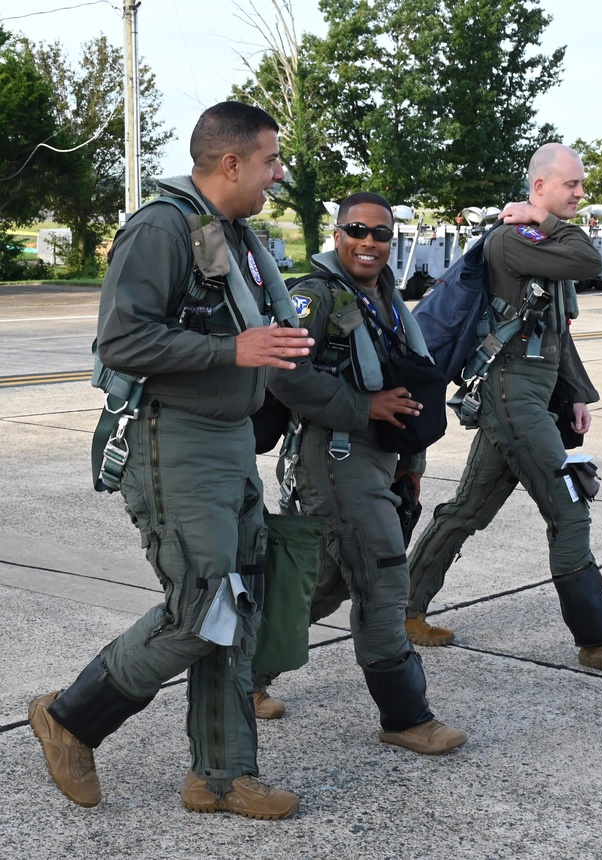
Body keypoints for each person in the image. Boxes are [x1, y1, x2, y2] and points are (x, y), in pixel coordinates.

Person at [27, 101, 313, 819]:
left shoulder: (236, 236)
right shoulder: (161, 230)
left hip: (229, 440)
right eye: (271, 162)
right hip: (173, 441)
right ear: (231, 163)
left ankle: (221, 777)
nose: (278, 175)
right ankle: (70, 718)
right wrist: (231, 352)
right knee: (199, 609)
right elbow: (121, 344)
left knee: (236, 609)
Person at [404, 143, 602, 676]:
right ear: (540, 187)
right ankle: (598, 640)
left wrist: (577, 394)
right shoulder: (513, 240)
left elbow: (553, 330)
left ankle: (402, 609)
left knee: (467, 511)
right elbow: (591, 259)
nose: (582, 194)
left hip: (529, 396)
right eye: (572, 185)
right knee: (570, 508)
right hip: (512, 396)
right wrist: (543, 220)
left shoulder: (541, 242)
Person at [251, 192, 467, 755]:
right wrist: (363, 408)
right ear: (337, 233)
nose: (370, 242)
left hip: (381, 458)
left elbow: (410, 382)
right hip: (334, 456)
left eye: (381, 234)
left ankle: (244, 674)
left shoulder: (388, 298)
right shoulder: (313, 297)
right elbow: (283, 374)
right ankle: (405, 716)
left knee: (328, 581)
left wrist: (412, 463)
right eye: (357, 230)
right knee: (385, 576)